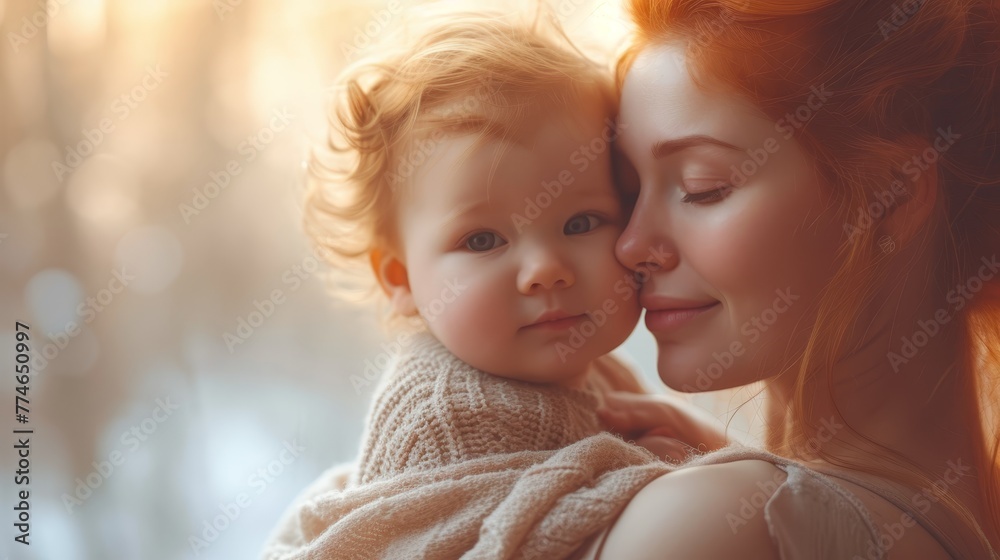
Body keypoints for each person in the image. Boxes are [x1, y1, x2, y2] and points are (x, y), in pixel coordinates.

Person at [261, 9, 721, 559]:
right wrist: (664, 480)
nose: (545, 269)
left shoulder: (591, 370)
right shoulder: (447, 417)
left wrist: (696, 454)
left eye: (581, 223)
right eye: (482, 241)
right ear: (401, 278)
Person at [580, 0, 1000, 558]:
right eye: (629, 192)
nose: (631, 245)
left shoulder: (717, 524)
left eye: (701, 187)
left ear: (891, 194)